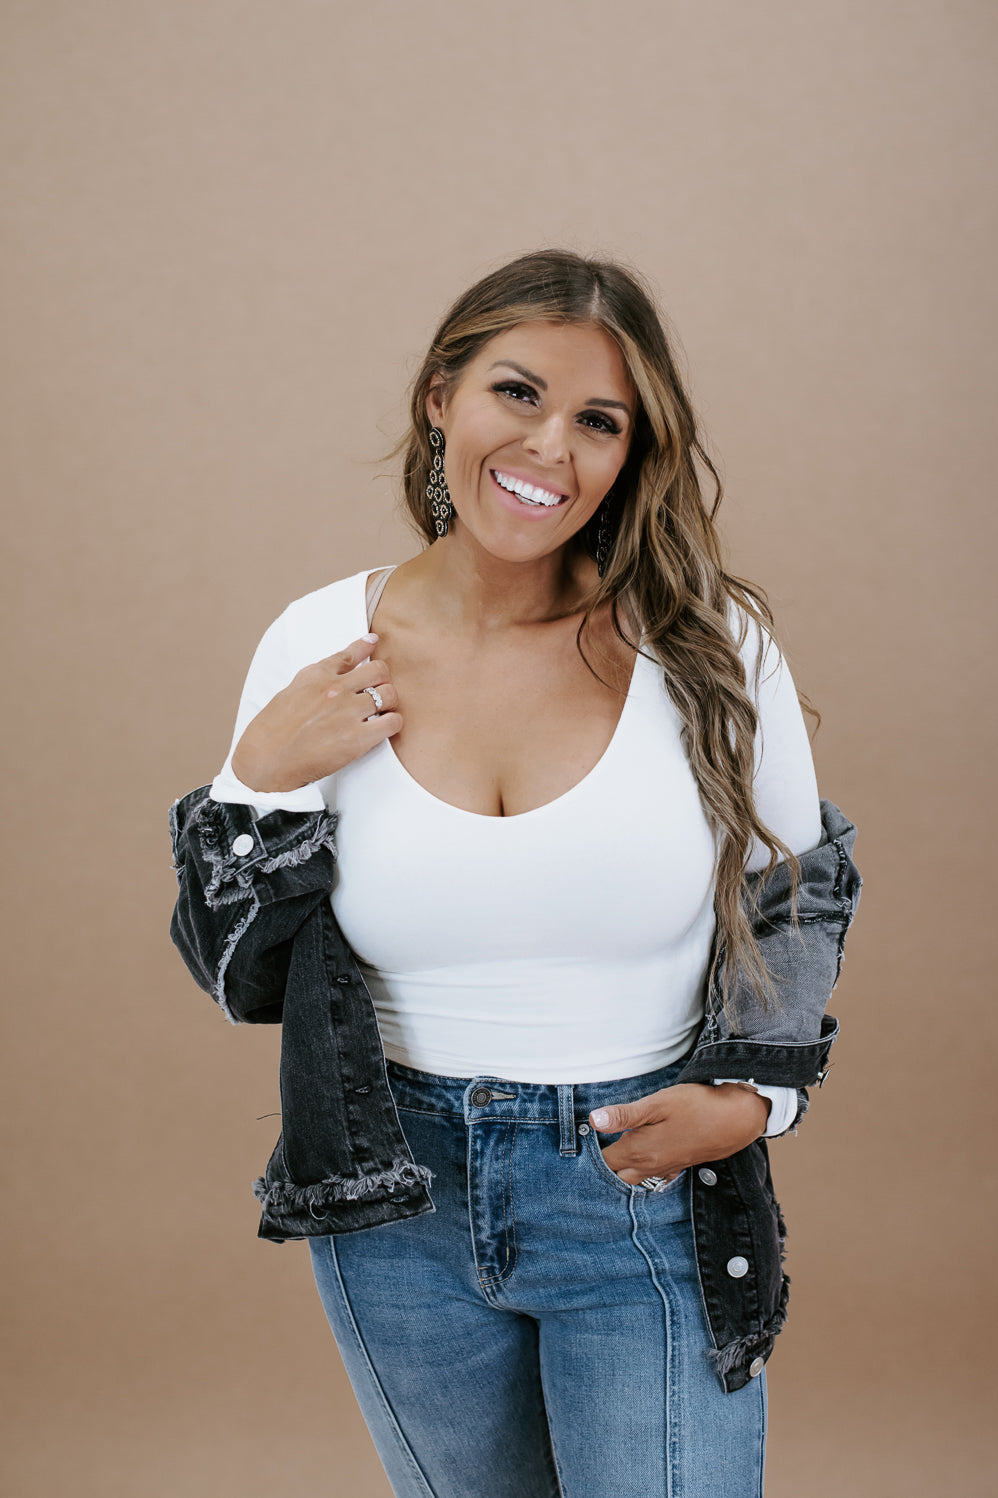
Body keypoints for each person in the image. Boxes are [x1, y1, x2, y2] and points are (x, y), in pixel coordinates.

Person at [168, 249, 861, 1498]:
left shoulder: (705, 647)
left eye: (599, 420)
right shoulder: (323, 642)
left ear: (632, 454)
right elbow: (243, 978)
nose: (549, 447)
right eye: (517, 392)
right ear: (441, 397)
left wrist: (758, 1098)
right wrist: (255, 781)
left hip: (641, 1184)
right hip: (398, 1198)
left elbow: (795, 890)